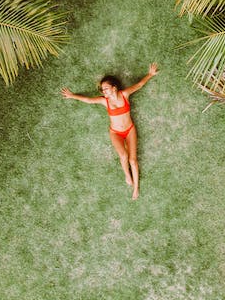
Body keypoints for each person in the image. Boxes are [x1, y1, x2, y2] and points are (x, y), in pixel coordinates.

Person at [61, 63, 158, 200]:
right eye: (102, 90)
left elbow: (139, 85)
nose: (104, 92)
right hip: (115, 132)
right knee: (124, 156)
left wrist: (150, 74)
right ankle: (127, 175)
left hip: (130, 130)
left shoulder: (124, 95)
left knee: (133, 160)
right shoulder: (104, 101)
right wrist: (72, 96)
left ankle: (136, 188)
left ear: (114, 87)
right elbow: (88, 100)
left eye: (106, 89)